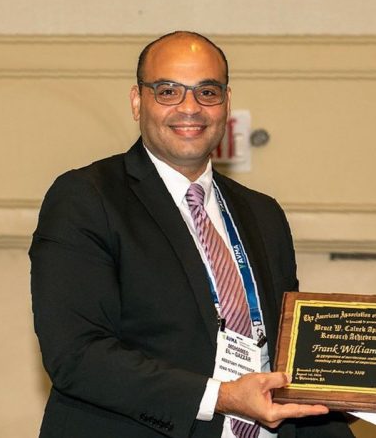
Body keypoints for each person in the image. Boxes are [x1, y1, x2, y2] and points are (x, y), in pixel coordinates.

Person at [30, 31, 352, 438]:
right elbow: (77, 354)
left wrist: (354, 390)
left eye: (207, 92)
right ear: (137, 101)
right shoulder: (87, 198)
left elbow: (284, 349)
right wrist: (221, 396)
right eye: (168, 91)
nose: (190, 108)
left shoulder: (263, 213)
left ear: (227, 104)